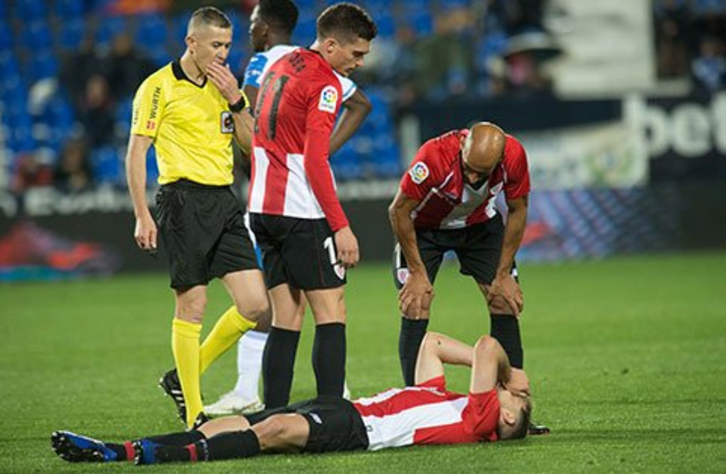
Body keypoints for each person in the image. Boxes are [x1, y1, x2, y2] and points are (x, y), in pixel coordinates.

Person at [205, 0, 372, 416]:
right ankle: (333, 414)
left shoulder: (278, 64)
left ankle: (271, 416)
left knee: (286, 316)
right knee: (332, 312)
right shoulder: (326, 83)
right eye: (356, 54)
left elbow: (257, 131)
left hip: (262, 207)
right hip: (302, 211)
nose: (359, 63)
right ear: (331, 45)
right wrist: (341, 227)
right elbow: (315, 161)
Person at [51, 331, 533, 465]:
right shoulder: (442, 398)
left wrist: (509, 375)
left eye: (513, 411)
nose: (507, 405)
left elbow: (488, 348)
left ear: (503, 417)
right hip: (343, 409)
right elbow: (432, 344)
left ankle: (149, 456)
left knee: (272, 433)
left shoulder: (478, 419)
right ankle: (122, 448)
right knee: (238, 425)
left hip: (358, 433)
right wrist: (503, 381)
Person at [125, 6, 269, 430]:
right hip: (182, 199)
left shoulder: (226, 86)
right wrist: (141, 214)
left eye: (227, 45)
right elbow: (136, 153)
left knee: (256, 305)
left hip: (224, 200)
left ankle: (180, 377)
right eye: (215, 45)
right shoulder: (158, 87)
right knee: (193, 304)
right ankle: (193, 412)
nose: (223, 53)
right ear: (192, 42)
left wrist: (237, 101)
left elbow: (250, 146)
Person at [389, 122, 533, 398]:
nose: (473, 177)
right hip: (425, 230)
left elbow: (518, 209)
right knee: (415, 304)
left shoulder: (514, 156)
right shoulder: (433, 156)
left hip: (479, 227)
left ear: (499, 160)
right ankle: (414, 404)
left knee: (504, 300)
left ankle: (512, 403)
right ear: (462, 147)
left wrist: (503, 275)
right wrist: (418, 273)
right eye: (468, 167)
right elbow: (398, 211)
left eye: (482, 173)